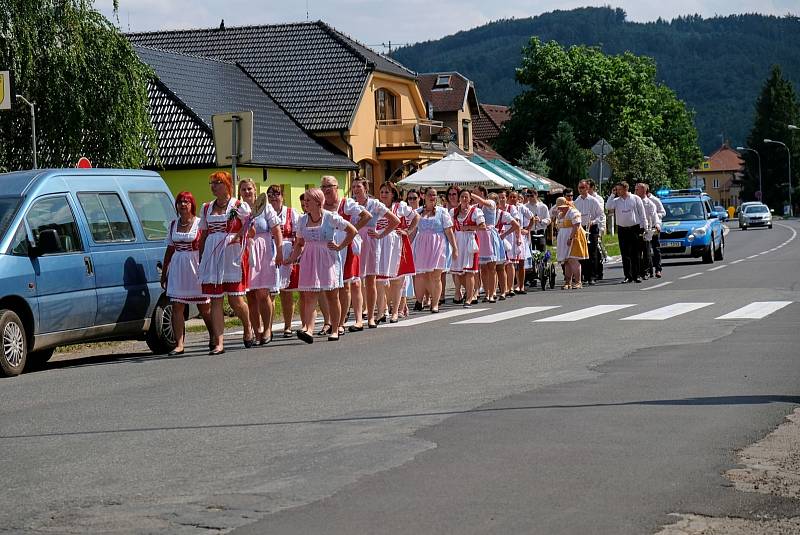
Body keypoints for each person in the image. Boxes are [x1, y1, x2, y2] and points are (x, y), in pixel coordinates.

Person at [285, 188, 357, 343]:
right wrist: (291, 258)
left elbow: (352, 231)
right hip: (309, 258)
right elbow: (300, 243)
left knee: (332, 295)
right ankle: (309, 330)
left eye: (309, 200)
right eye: (305, 200)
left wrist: (340, 246)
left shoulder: (330, 217)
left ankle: (336, 329)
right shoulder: (302, 220)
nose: (305, 203)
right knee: (310, 295)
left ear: (318, 203)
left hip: (328, 257)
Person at [198, 171, 254, 355]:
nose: (213, 186)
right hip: (212, 256)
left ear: (227, 184)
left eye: (217, 182)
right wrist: (201, 258)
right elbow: (204, 235)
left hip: (231, 255)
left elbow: (250, 231)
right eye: (211, 183)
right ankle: (219, 342)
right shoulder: (206, 208)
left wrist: (238, 236)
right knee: (215, 299)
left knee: (235, 299)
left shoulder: (238, 206)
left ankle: (248, 328)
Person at [160, 191, 211, 356]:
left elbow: (205, 245)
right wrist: (164, 271)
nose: (183, 205)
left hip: (195, 265)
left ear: (192, 205)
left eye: (186, 202)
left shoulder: (199, 223)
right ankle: (179, 344)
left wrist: (206, 267)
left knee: (204, 306)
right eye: (180, 201)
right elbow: (170, 248)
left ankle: (214, 336)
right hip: (177, 266)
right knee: (177, 306)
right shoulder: (173, 224)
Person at [321, 175, 371, 335]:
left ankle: (340, 322)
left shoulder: (345, 204)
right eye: (323, 187)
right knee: (327, 285)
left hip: (345, 246)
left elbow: (367, 216)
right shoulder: (320, 205)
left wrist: (350, 230)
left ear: (337, 187)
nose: (326, 190)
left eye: (329, 186)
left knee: (345, 285)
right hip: (326, 246)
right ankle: (330, 321)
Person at [239, 178, 283, 345]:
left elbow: (276, 230)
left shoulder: (266, 207)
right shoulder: (240, 209)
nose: (247, 192)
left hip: (264, 250)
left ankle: (267, 328)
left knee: (263, 293)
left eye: (249, 188)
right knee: (250, 295)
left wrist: (279, 251)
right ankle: (256, 330)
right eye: (243, 189)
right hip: (246, 250)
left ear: (255, 190)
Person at [352, 178, 399, 328]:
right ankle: (359, 318)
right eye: (353, 186)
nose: (355, 189)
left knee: (371, 280)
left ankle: (371, 317)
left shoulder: (374, 204)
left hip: (371, 241)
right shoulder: (350, 204)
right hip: (355, 241)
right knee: (356, 281)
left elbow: (395, 221)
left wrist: (380, 234)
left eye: (358, 186)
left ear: (365, 188)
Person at [376, 182, 419, 322]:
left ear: (393, 194)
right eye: (382, 192)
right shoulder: (376, 206)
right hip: (380, 244)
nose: (383, 194)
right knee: (380, 280)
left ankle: (395, 312)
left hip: (396, 244)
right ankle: (382, 311)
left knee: (397, 280)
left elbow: (416, 217)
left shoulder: (400, 206)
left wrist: (408, 231)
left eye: (386, 192)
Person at [413, 187, 458, 313]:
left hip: (438, 245)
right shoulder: (418, 212)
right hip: (422, 245)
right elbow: (413, 231)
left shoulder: (442, 212)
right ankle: (420, 300)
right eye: (430, 195)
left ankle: (435, 303)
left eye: (434, 195)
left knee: (436, 275)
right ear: (424, 196)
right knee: (422, 275)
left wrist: (455, 248)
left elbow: (449, 231)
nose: (433, 197)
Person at [268, 185, 300, 338]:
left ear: (283, 196)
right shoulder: (264, 213)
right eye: (270, 194)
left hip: (287, 252)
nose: (273, 197)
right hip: (270, 253)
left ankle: (287, 326)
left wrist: (294, 255)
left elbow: (299, 234)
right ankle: (268, 327)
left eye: (277, 194)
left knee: (287, 293)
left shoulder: (290, 212)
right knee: (270, 293)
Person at [606, 181, 647, 283]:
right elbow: (608, 206)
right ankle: (627, 276)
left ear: (626, 189)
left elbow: (642, 214)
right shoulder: (616, 200)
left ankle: (636, 275)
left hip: (634, 228)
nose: (618, 191)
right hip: (622, 229)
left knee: (636, 253)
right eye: (617, 190)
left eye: (619, 189)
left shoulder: (635, 198)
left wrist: (645, 227)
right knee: (625, 254)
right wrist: (612, 194)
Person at [449, 189, 485, 307]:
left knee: (469, 272)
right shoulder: (453, 211)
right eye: (462, 197)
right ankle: (470, 291)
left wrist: (469, 227)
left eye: (466, 197)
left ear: (470, 198)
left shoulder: (476, 211)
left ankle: (469, 297)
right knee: (459, 272)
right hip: (458, 241)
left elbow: (482, 227)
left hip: (470, 241)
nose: (464, 199)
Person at [471, 186, 502, 303]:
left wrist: (469, 194)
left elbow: (483, 201)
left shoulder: (490, 202)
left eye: (475, 192)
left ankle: (492, 293)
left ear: (482, 192)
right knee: (483, 267)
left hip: (489, 235)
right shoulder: (475, 207)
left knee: (491, 267)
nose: (473, 194)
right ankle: (486, 292)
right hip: (480, 235)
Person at [554, 196, 589, 289]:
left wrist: (571, 237)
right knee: (567, 261)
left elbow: (576, 225)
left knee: (573, 259)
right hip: (563, 237)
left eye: (561, 206)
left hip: (574, 237)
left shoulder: (573, 212)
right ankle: (567, 282)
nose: (560, 208)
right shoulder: (561, 214)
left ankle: (578, 281)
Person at [574, 180, 604, 285]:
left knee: (592, 252)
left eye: (582, 187)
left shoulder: (593, 200)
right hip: (581, 228)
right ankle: (585, 275)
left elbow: (601, 214)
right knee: (582, 252)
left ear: (587, 188)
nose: (580, 190)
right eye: (579, 188)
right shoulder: (576, 202)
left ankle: (592, 276)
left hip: (592, 228)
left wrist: (594, 221)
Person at [496, 189, 523, 298]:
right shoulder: (495, 210)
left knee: (510, 262)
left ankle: (510, 287)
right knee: (502, 263)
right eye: (499, 198)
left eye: (503, 197)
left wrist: (518, 237)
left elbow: (517, 224)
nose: (501, 200)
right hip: (499, 235)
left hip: (509, 235)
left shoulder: (511, 208)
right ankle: (504, 287)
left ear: (506, 198)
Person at [401, 189, 421, 315]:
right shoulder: (405, 211)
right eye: (410, 198)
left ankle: (422, 297)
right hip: (408, 244)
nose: (412, 200)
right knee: (407, 275)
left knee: (420, 273)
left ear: (420, 198)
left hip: (420, 243)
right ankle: (404, 304)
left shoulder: (421, 211)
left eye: (414, 198)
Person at [444, 185, 464, 303]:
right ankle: (458, 290)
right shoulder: (444, 208)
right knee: (454, 266)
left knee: (464, 266)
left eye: (454, 194)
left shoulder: (463, 208)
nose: (451, 197)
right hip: (449, 239)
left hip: (462, 238)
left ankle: (468, 289)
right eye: (450, 194)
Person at [635, 183, 658, 280]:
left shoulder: (650, 203)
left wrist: (656, 225)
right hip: (635, 228)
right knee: (637, 251)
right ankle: (639, 271)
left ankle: (647, 271)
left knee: (646, 251)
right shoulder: (634, 201)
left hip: (645, 228)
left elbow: (653, 216)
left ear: (643, 191)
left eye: (637, 189)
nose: (635, 191)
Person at [512, 190, 534, 293]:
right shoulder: (506, 208)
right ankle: (511, 285)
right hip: (509, 235)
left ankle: (521, 285)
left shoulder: (521, 207)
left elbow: (532, 217)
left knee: (521, 262)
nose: (512, 199)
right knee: (510, 262)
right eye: (510, 197)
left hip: (520, 235)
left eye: (514, 197)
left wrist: (528, 229)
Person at [587, 179, 606, 280]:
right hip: (586, 227)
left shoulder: (598, 198)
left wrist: (601, 229)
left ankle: (599, 271)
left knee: (596, 250)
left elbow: (601, 214)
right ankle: (590, 272)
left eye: (588, 187)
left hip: (597, 226)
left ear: (592, 187)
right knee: (589, 250)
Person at [645, 185, 665, 278]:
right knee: (646, 249)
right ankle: (649, 270)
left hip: (654, 227)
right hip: (645, 227)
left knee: (656, 248)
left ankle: (658, 269)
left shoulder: (655, 200)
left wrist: (655, 216)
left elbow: (663, 212)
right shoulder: (639, 200)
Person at [524, 190, 550, 254]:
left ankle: (542, 263)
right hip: (529, 232)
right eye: (528, 196)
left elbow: (549, 220)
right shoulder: (524, 207)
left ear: (536, 195)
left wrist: (540, 220)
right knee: (529, 252)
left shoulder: (543, 206)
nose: (529, 198)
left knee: (541, 252)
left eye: (532, 196)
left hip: (540, 231)